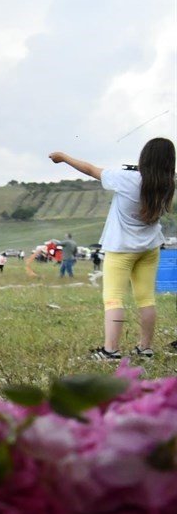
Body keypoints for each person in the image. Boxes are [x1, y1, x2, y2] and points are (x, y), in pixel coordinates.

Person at [50, 139, 174, 360]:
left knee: (114, 298)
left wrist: (64, 157)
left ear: (144, 156)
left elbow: (90, 169)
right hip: (150, 248)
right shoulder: (168, 183)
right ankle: (145, 348)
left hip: (121, 249)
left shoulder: (127, 178)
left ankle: (111, 350)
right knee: (146, 299)